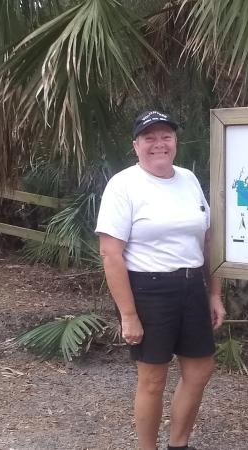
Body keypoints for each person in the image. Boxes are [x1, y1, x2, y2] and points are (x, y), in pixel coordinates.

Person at [95, 110, 225, 450]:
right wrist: (128, 315)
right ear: (135, 145)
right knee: (153, 379)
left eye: (165, 136)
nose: (159, 144)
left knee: (200, 370)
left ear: (175, 142)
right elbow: (111, 254)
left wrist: (214, 294)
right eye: (149, 138)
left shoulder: (188, 180)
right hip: (148, 290)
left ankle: (178, 444)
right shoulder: (123, 185)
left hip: (191, 286)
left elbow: (208, 240)